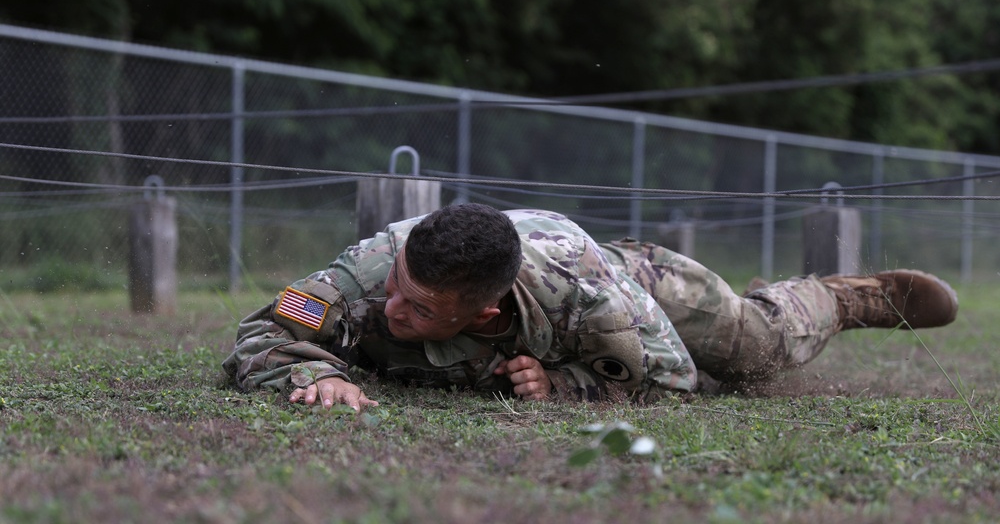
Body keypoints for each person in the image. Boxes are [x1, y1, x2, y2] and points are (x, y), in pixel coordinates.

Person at [223, 204, 959, 410]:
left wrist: (570, 384)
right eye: (396, 288)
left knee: (749, 352)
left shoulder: (602, 310)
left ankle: (844, 297)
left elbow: (672, 384)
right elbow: (269, 323)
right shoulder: (377, 269)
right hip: (528, 267)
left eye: (416, 308)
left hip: (625, 276)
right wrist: (310, 375)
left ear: (479, 316)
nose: (390, 307)